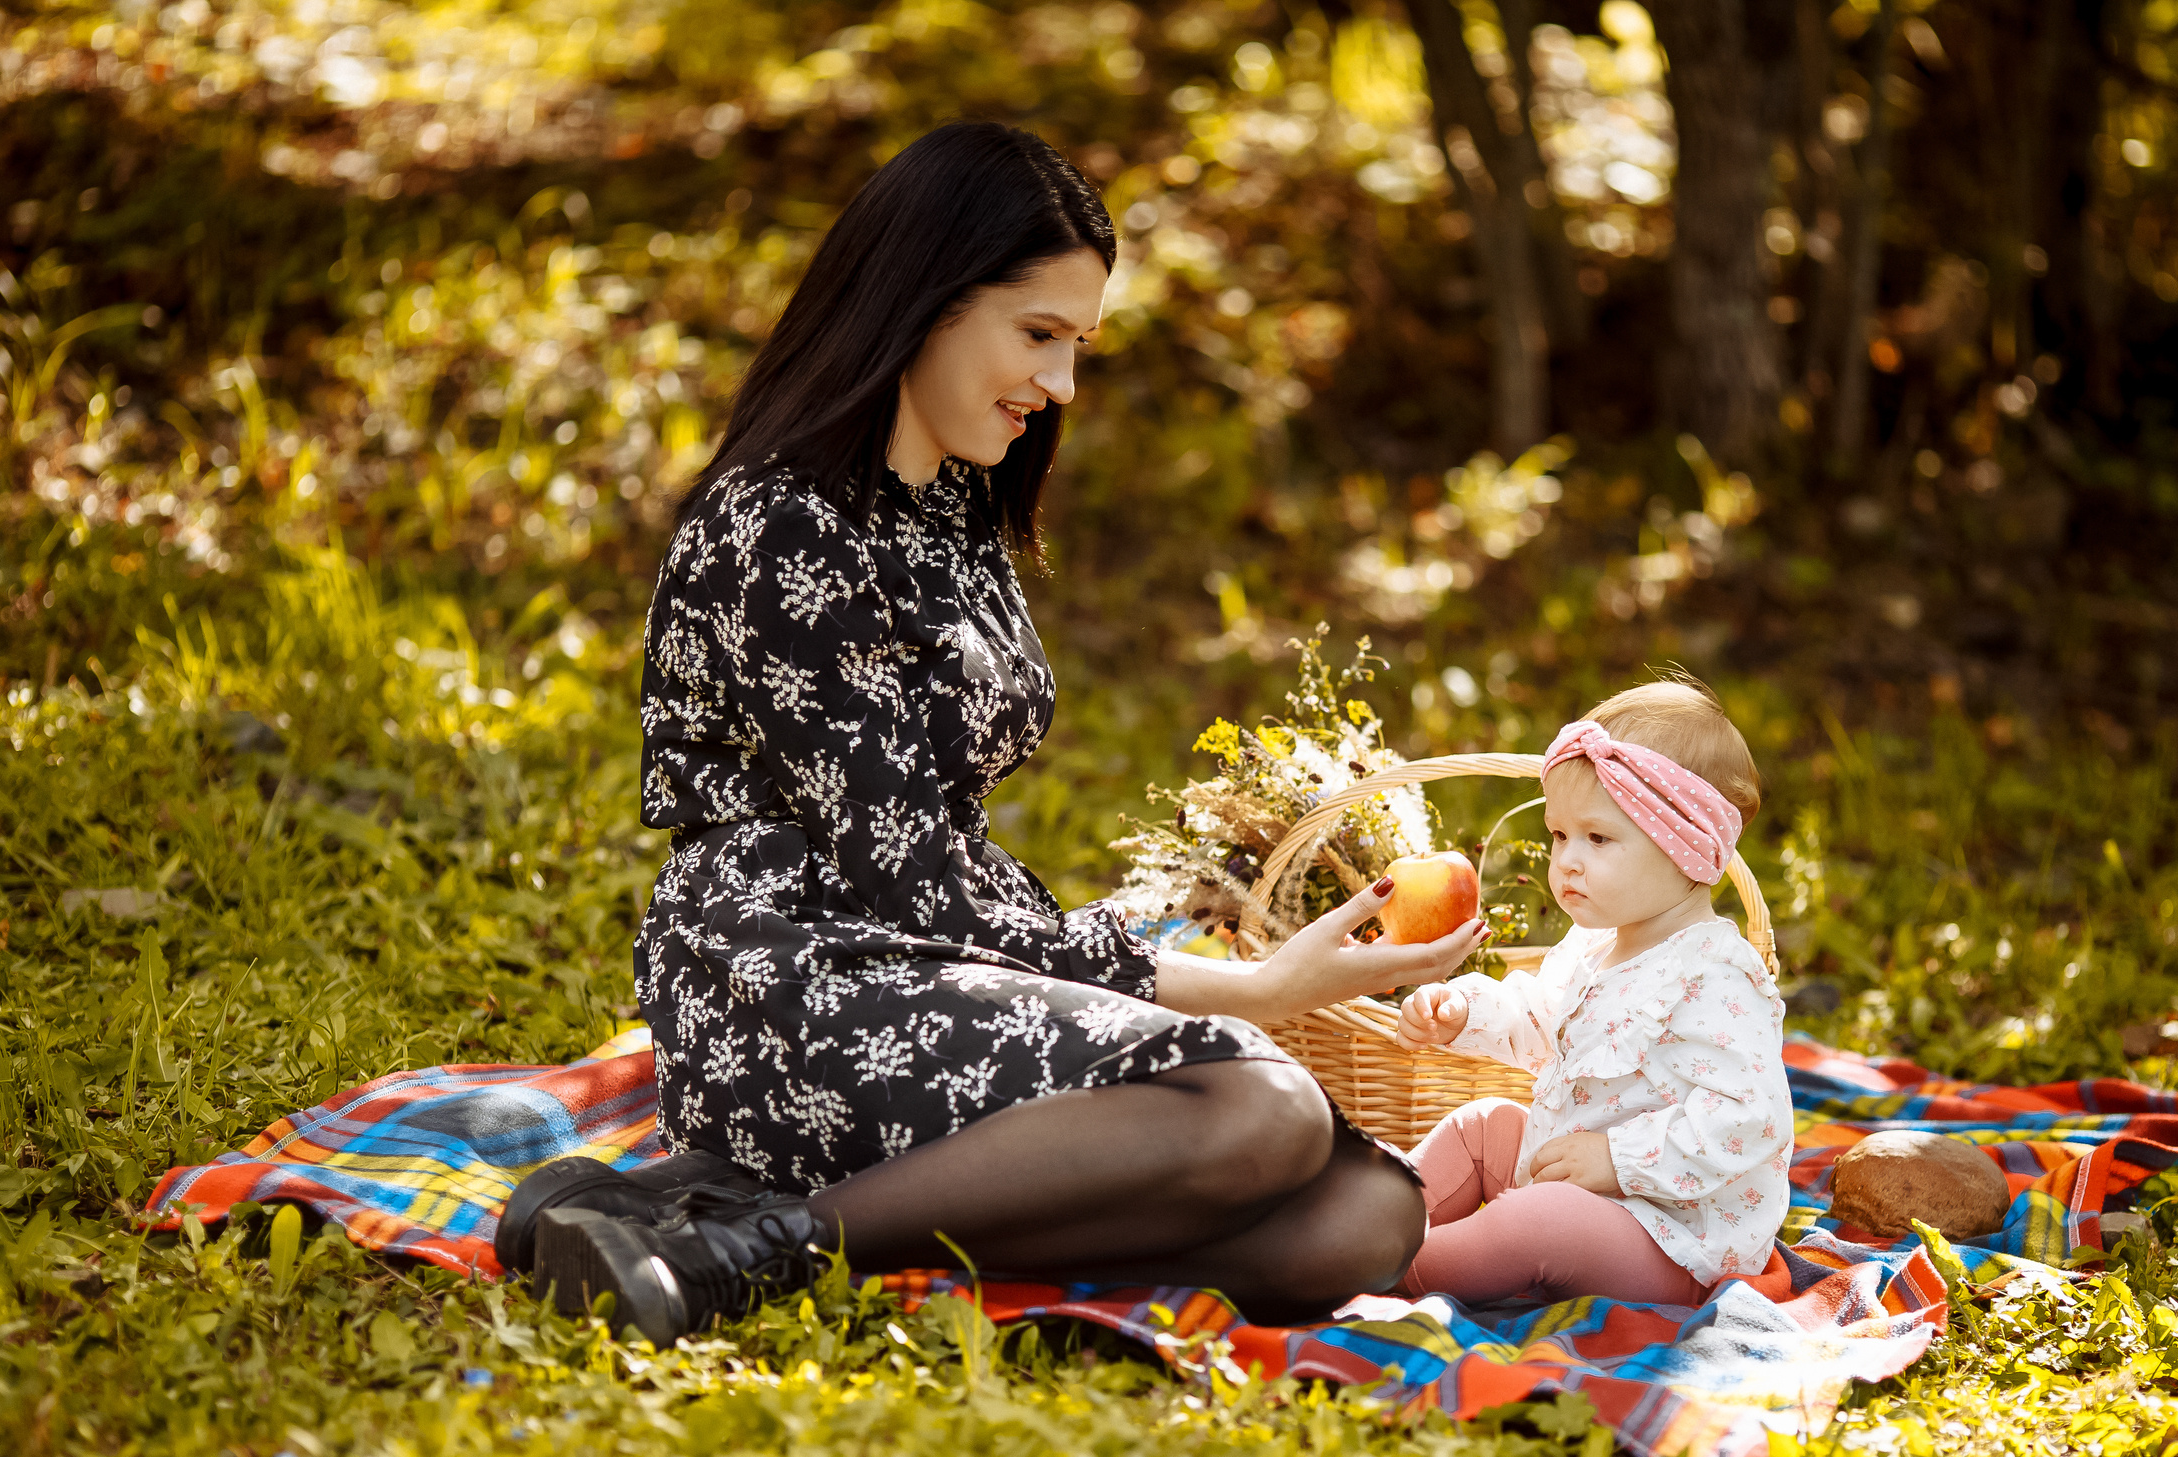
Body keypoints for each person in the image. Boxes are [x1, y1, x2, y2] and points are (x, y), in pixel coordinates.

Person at [505, 123, 1488, 1343]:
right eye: (1039, 336)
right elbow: (911, 879)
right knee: (1263, 1113)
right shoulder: (778, 528)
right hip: (794, 975)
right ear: (920, 300)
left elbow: (947, 884)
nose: (1060, 387)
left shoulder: (954, 502)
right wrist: (1253, 986)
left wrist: (1221, 976)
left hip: (931, 953)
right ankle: (744, 1248)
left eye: (1077, 347)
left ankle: (709, 1209)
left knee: (1361, 1222)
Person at [1390, 680, 1792, 1306]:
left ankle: (1379, 1266)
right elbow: (1543, 1017)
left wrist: (1619, 1158)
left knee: (1541, 1222)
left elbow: (1749, 1116)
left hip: (1669, 1234)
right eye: (1558, 836)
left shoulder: (1714, 973)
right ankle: (1371, 1210)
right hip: (1577, 1184)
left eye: (1597, 839)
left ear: (1684, 847)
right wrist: (1466, 1010)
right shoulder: (1594, 944)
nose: (1567, 861)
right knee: (1484, 1126)